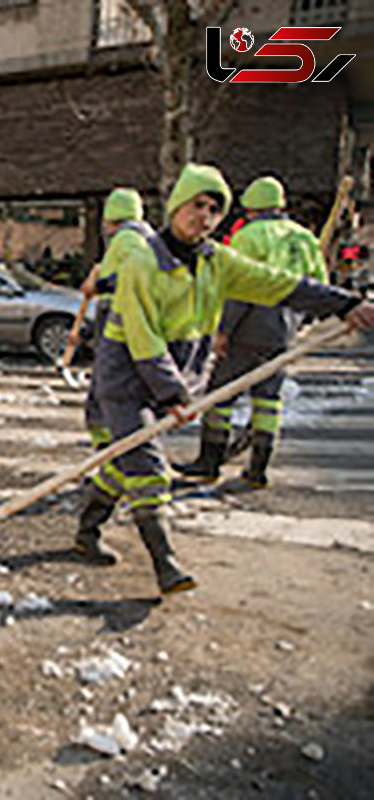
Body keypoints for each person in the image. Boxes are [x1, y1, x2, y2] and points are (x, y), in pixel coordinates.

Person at [72, 163, 374, 595]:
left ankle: (87, 529)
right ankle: (166, 565)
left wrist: (343, 303)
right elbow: (143, 339)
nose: (206, 216)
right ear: (177, 206)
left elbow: (277, 283)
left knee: (126, 462)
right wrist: (173, 392)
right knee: (149, 471)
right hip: (126, 376)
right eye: (198, 205)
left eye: (215, 209)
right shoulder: (143, 259)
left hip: (172, 377)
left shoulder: (218, 261)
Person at [175, 176, 327, 487]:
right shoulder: (304, 238)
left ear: (250, 207)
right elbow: (319, 287)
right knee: (268, 400)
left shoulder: (248, 236)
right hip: (284, 332)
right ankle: (258, 468)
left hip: (249, 328)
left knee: (221, 394)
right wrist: (302, 320)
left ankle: (210, 461)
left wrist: (222, 331)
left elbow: (238, 291)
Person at [73, 187, 147, 450]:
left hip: (117, 323)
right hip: (128, 322)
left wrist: (100, 286)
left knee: (103, 394)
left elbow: (131, 277)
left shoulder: (127, 240)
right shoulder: (143, 238)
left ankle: (107, 453)